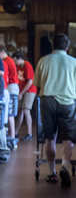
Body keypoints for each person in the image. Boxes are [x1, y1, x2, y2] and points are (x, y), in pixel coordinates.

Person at [34, 34, 76, 186]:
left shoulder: (43, 61)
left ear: (53, 46)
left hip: (47, 100)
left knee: (50, 137)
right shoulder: (74, 62)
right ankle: (65, 165)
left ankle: (52, 172)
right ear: (67, 47)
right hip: (68, 102)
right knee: (68, 137)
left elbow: (37, 83)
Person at [0, 44, 19, 147]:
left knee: (9, 114)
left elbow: (6, 77)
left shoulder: (6, 61)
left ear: (1, 52)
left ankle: (12, 137)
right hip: (12, 86)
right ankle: (12, 136)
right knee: (10, 114)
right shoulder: (9, 60)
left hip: (11, 86)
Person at [14, 51, 36, 141]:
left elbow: (30, 82)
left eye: (15, 60)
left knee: (26, 110)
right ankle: (15, 132)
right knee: (21, 111)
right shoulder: (19, 66)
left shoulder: (27, 65)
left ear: (20, 59)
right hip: (22, 90)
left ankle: (29, 134)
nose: (14, 62)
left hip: (30, 90)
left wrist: (21, 93)